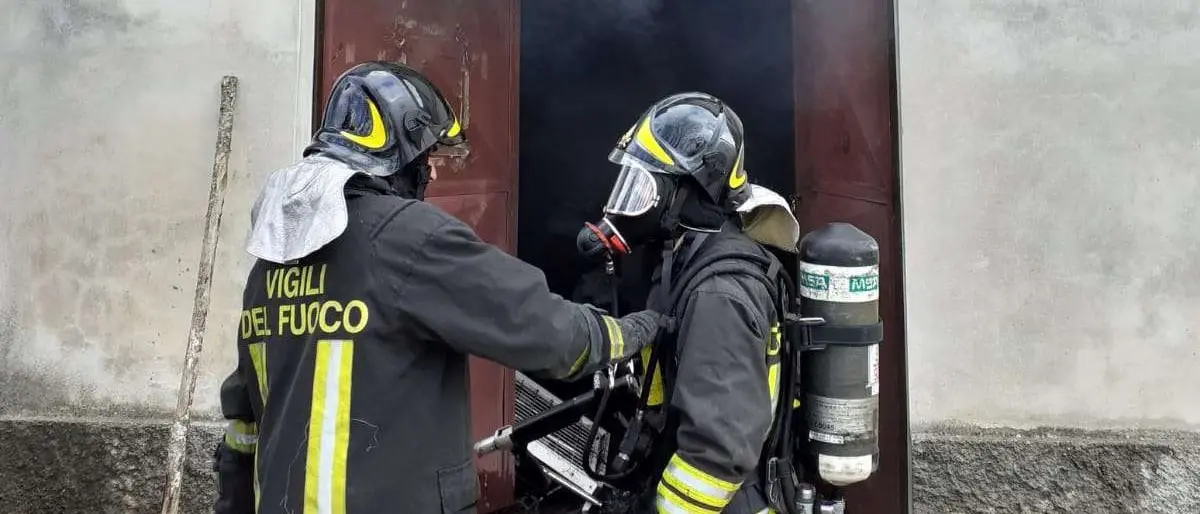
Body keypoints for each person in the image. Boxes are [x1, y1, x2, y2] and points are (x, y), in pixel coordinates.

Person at [211, 61, 664, 514]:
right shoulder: (407, 238)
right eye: (424, 159)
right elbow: (549, 335)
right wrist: (634, 331)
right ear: (398, 156)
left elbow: (243, 422)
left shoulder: (270, 263)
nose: (428, 173)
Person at [574, 92, 801, 514]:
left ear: (686, 190)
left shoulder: (719, 295)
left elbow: (715, 457)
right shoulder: (684, 258)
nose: (629, 203)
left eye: (643, 184)